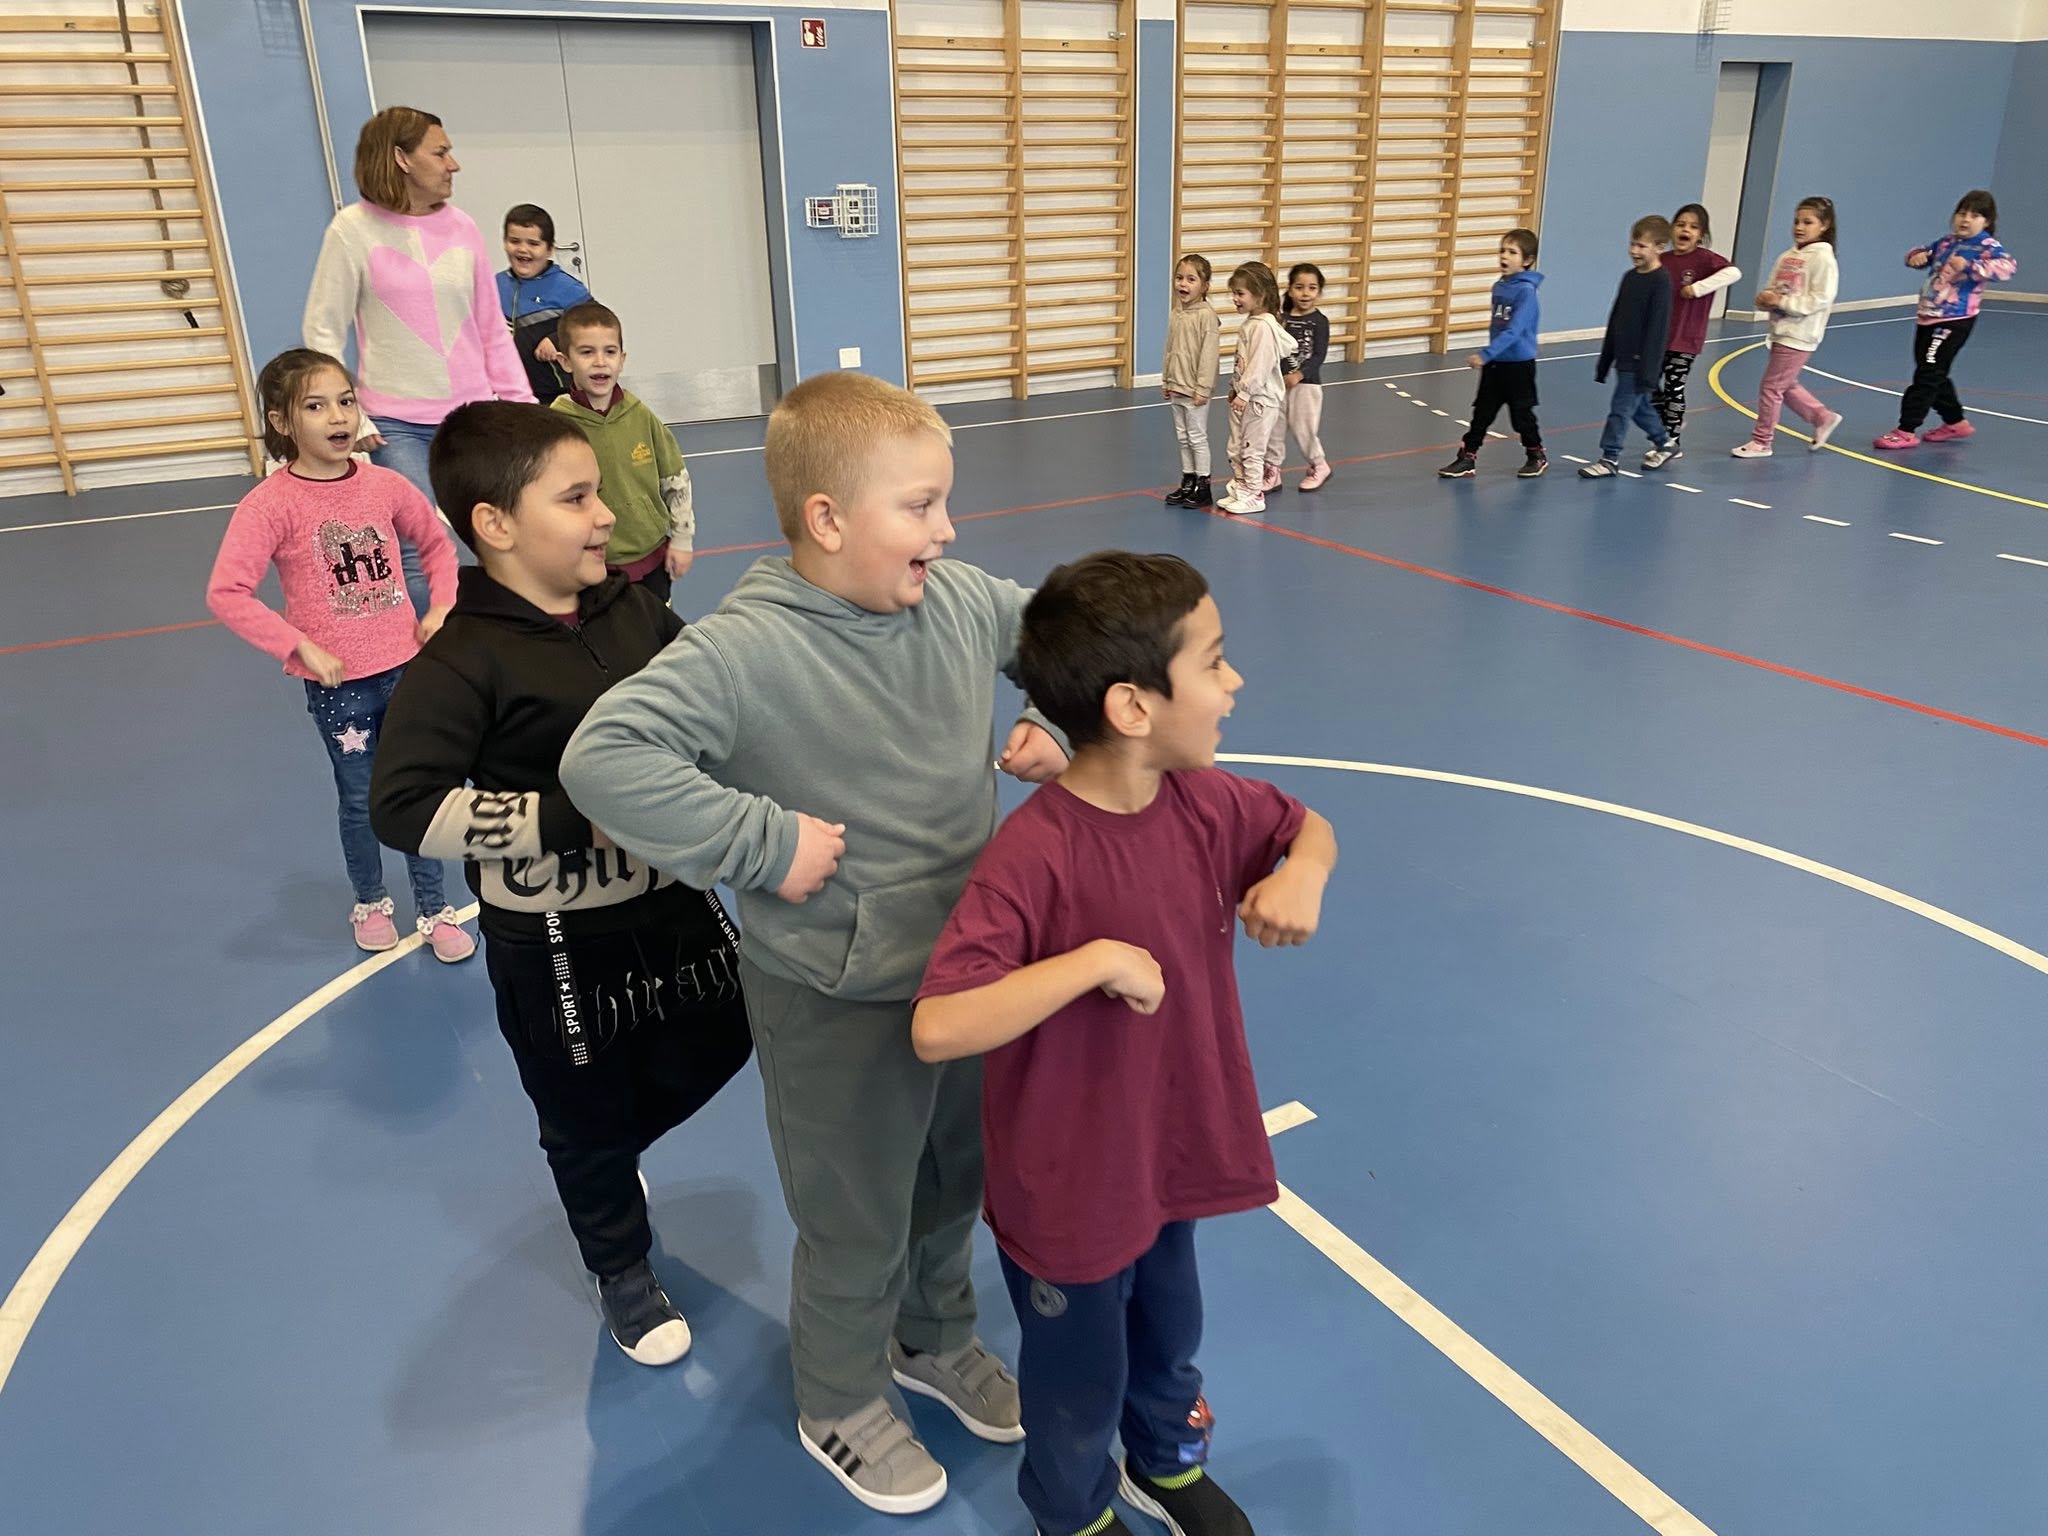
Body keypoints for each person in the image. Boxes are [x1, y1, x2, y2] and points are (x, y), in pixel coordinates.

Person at [558, 371, 1069, 1516]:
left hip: (963, 977)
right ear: (827, 520)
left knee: (952, 1179)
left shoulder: (957, 601)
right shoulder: (744, 652)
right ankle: (837, 1395)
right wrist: (761, 840)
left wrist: (1053, 713)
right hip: (832, 999)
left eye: (943, 503)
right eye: (921, 506)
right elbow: (604, 759)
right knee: (855, 1215)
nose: (947, 529)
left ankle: (931, 1335)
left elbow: (1068, 634)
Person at [914, 550, 1338, 1536]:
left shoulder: (1204, 803)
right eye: (1214, 662)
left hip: (1168, 1150)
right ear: (1134, 707)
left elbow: (1305, 826)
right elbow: (938, 1025)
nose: (1234, 682)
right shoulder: (1036, 855)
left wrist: (1302, 874)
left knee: (1169, 1333)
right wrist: (1090, 960)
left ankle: (1165, 1463)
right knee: (1078, 1377)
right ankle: (1071, 1512)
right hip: (1069, 1186)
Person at [369, 401, 750, 1366]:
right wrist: (576, 819)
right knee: (580, 1111)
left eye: (599, 494)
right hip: (554, 937)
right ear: (495, 524)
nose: (605, 516)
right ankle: (620, 1262)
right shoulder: (462, 657)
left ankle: (610, 1156)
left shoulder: (632, 610)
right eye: (576, 498)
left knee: (733, 1032)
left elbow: (714, 696)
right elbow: (404, 806)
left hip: (674, 901)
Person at [204, 348, 472, 962]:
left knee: (419, 791)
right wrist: (297, 644)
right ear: (282, 421)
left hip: (408, 672)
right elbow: (227, 592)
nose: (338, 416)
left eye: (346, 401)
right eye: (316, 406)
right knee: (360, 797)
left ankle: (434, 907)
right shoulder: (270, 505)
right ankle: (371, 900)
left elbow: (437, 545)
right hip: (341, 688)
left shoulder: (385, 485)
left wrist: (440, 608)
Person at [302, 106, 534, 615]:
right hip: (396, 426)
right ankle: (442, 644)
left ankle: (512, 635)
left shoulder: (464, 228)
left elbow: (491, 329)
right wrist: (348, 414)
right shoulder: (351, 230)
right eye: (441, 152)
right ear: (402, 159)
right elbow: (322, 332)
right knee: (422, 548)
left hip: (472, 419)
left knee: (503, 536)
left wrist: (523, 407)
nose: (454, 165)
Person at [547, 302, 695, 602]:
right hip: (590, 561)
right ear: (565, 361)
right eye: (587, 352)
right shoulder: (556, 425)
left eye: (610, 351)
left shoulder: (641, 416)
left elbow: (675, 479)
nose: (600, 362)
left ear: (622, 359)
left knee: (657, 624)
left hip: (650, 554)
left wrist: (682, 539)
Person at [1875, 189, 2017, 451]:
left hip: (1955, 320)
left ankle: (1906, 430)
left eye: (1974, 215)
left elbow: (2007, 267)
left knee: (1928, 373)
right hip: (1928, 316)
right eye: (1962, 213)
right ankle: (1955, 423)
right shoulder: (1947, 242)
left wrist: (1970, 266)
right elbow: (1924, 254)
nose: (1965, 219)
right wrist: (1916, 256)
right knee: (1933, 370)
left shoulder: (1987, 246)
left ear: (1986, 221)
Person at [1733, 196, 1843, 459]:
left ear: (1824, 225)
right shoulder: (1788, 256)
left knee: (1771, 387)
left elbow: (1821, 298)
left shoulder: (1823, 258)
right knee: (1785, 383)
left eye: (1808, 222)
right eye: (1796, 221)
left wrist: (1783, 302)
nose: (1799, 227)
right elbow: (1774, 287)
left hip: (1800, 333)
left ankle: (1762, 441)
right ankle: (1822, 416)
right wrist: (1766, 299)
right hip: (1781, 330)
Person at [1439, 228, 1546, 479]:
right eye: (1502, 250)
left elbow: (1514, 331)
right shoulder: (1499, 286)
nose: (1504, 256)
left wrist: (1486, 354)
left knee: (1521, 416)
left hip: (1518, 366)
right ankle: (1467, 457)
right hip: (1496, 365)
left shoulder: (1526, 292)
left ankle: (1536, 454)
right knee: (1481, 414)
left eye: (1512, 252)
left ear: (1527, 260)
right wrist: (1492, 357)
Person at [1580, 216, 1676, 479]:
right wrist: (1605, 359)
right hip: (1623, 358)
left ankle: (1609, 457)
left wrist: (1649, 370)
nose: (1634, 251)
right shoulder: (1629, 278)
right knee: (1639, 408)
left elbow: (1657, 330)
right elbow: (1616, 319)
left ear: (1660, 247)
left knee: (1621, 409)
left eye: (1642, 246)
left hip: (1640, 362)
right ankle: (1665, 443)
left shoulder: (1661, 282)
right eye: (1633, 244)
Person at [1651, 203, 1741, 456]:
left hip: (1685, 338)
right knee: (1646, 384)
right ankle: (1670, 421)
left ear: (1701, 234)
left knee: (1674, 388)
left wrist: (1699, 288)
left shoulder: (1705, 259)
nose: (1686, 230)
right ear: (1672, 230)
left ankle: (1671, 442)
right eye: (1681, 225)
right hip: (1658, 337)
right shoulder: (1663, 261)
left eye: (1693, 227)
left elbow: (1733, 273)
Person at [1216, 263, 1296, 517]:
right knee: (1236, 445)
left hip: (1260, 399)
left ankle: (1254, 493)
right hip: (1246, 397)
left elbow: (1261, 364)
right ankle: (1242, 486)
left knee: (1252, 448)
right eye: (1234, 293)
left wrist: (1246, 392)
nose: (1235, 298)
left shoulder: (1263, 327)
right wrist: (1235, 387)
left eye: (1240, 293)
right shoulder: (1252, 323)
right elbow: (1244, 362)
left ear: (1259, 295)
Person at [498, 202, 593, 405]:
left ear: (550, 249)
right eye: (514, 241)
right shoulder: (494, 286)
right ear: (505, 243)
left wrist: (557, 339)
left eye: (533, 243)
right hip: (511, 394)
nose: (523, 249)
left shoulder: (566, 287)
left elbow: (594, 324)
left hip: (559, 395)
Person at [1162, 254, 1222, 509]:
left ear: (1205, 286)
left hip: (1195, 389)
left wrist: (1203, 388)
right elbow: (1170, 348)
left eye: (1191, 279)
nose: (1183, 284)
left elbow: (1209, 355)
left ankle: (1203, 485)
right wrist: (1167, 379)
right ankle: (1188, 480)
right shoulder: (1177, 312)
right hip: (1177, 385)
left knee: (1197, 437)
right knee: (1183, 437)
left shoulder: (1206, 316)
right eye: (1179, 278)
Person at [1277, 262, 1334, 491]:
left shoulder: (1320, 322)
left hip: (1306, 386)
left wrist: (1299, 374)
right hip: (1279, 385)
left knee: (1303, 429)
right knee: (1273, 429)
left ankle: (1319, 465)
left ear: (1319, 292)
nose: (1305, 293)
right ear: (1290, 289)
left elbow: (1319, 356)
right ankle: (1271, 470)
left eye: (1312, 288)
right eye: (1299, 287)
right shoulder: (1281, 319)